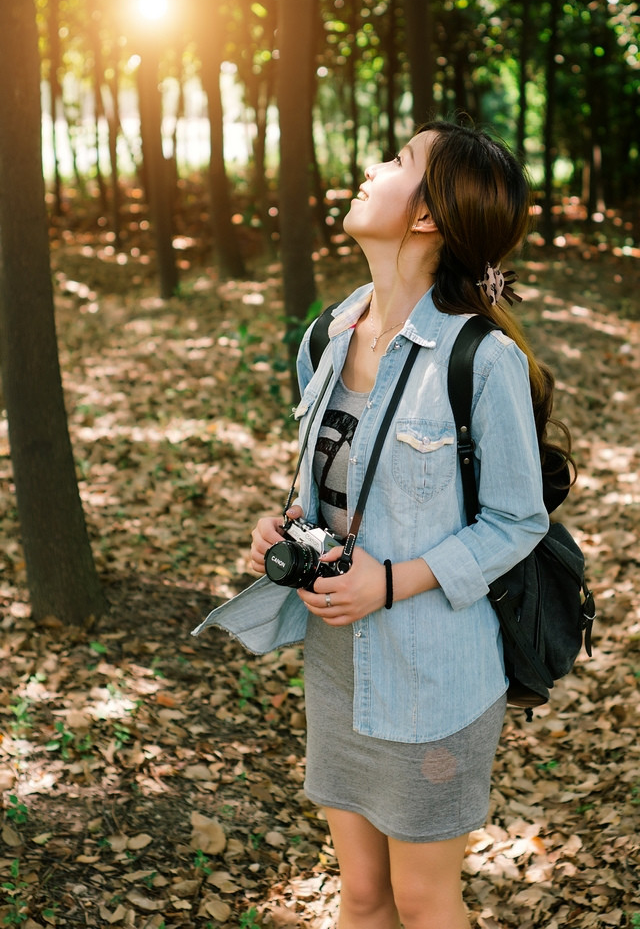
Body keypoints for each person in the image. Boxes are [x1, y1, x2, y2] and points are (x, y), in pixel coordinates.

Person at [203, 120, 557, 929]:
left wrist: (390, 581)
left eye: (397, 162)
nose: (371, 168)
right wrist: (284, 530)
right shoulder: (330, 333)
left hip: (436, 679)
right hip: (338, 666)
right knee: (361, 897)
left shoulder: (481, 360)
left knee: (426, 899)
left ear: (428, 215)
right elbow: (332, 486)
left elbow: (517, 520)